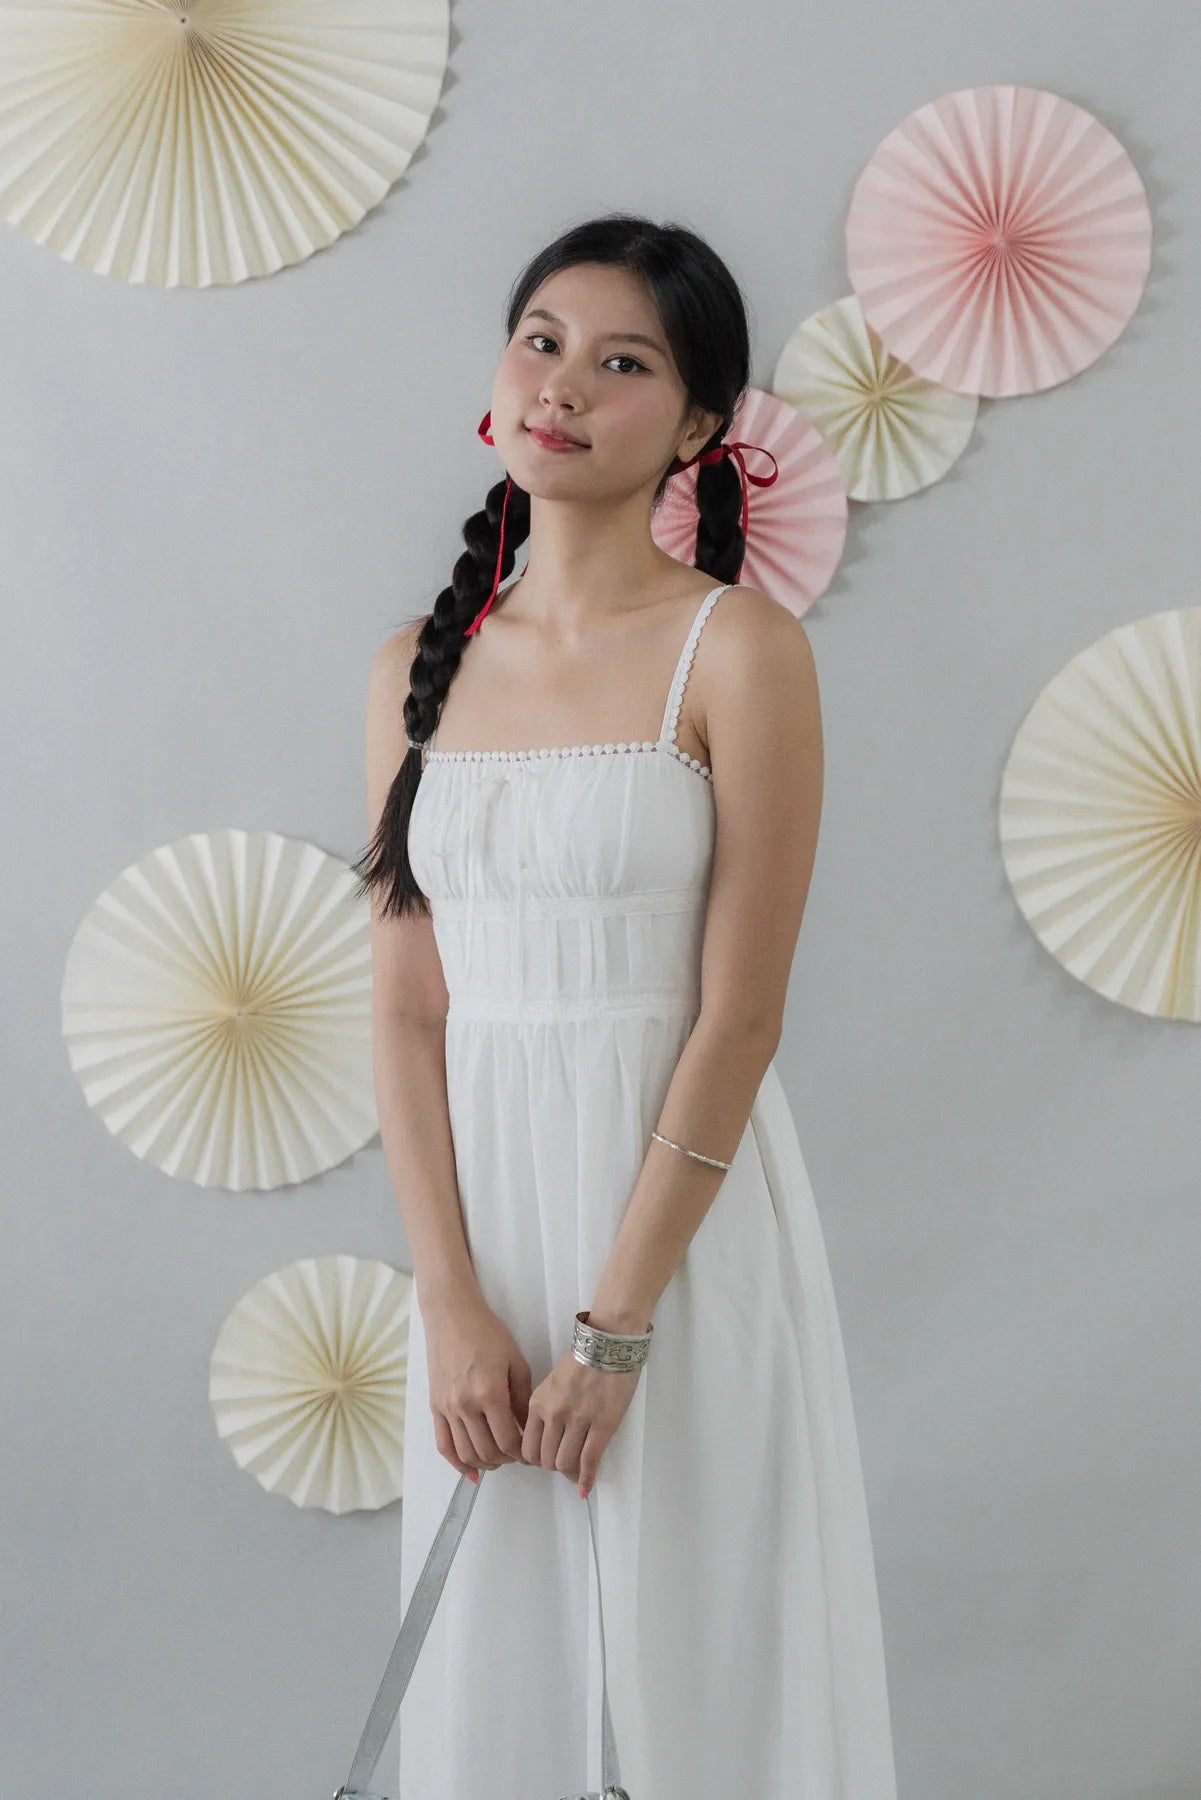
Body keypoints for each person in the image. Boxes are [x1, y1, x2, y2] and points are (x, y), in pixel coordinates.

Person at [352, 210, 898, 1798]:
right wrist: (447, 1301)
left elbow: (740, 1016)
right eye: (540, 342)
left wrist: (617, 1326)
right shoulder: (414, 668)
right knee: (498, 1659)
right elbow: (404, 1008)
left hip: (676, 1240)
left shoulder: (740, 652)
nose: (564, 385)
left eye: (622, 362)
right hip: (482, 1245)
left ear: (699, 425)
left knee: (698, 1661)